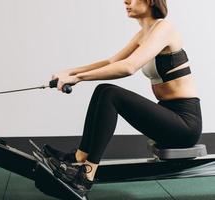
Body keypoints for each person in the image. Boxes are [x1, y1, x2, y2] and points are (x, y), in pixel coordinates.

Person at [44, 0, 202, 195]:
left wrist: (78, 78)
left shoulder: (165, 28)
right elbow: (111, 61)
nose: (126, 1)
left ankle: (86, 176)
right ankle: (78, 157)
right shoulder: (144, 34)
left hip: (185, 124)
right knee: (103, 90)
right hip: (168, 116)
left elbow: (129, 67)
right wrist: (69, 71)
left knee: (110, 94)